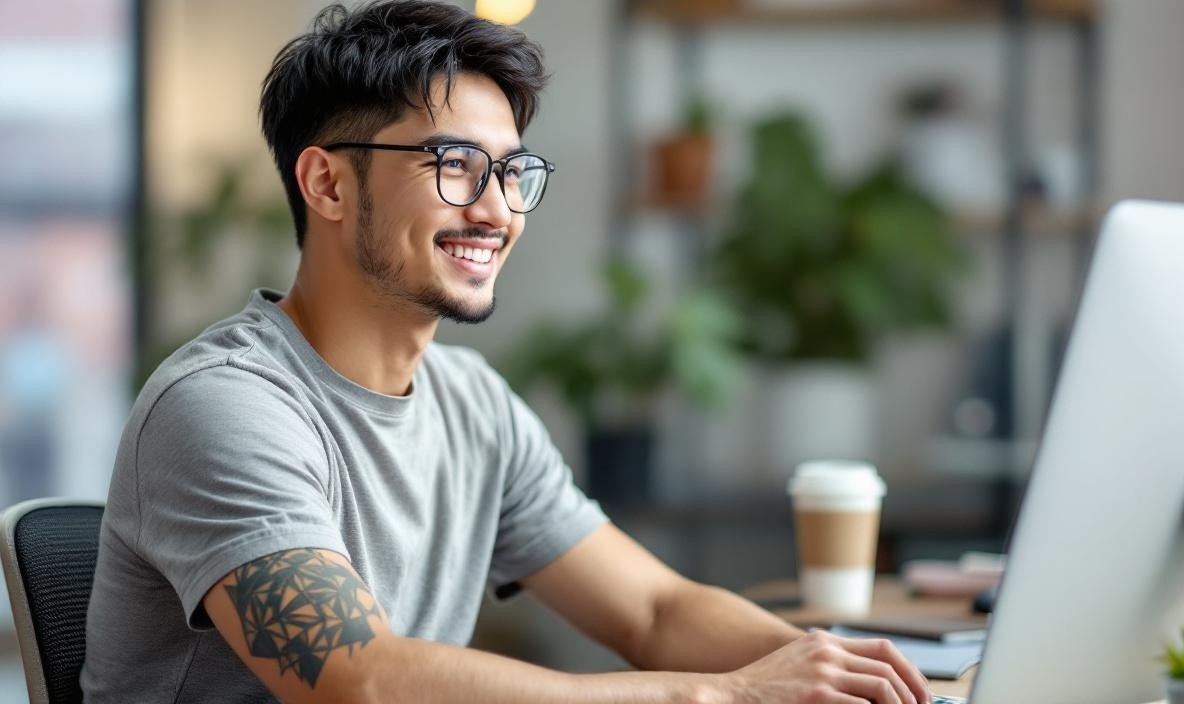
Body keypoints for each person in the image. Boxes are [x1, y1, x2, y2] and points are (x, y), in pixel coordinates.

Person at [81, 2, 931, 702]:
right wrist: (724, 695)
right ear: (328, 184)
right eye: (455, 165)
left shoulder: (472, 403)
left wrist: (842, 675)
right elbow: (358, 681)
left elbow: (654, 612)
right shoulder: (223, 405)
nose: (497, 211)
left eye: (512, 172)